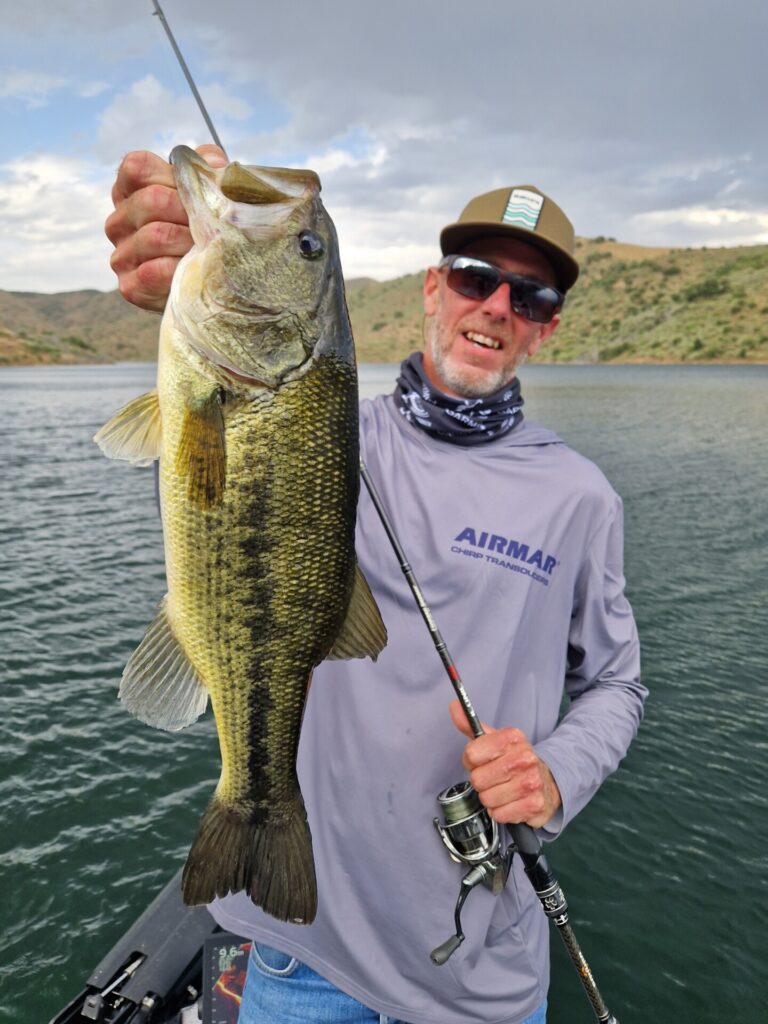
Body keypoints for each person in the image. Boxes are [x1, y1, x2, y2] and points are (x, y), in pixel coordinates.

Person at [106, 147, 646, 1024]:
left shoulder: (581, 498)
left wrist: (554, 774)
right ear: (434, 288)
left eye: (532, 296)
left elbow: (618, 684)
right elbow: (212, 476)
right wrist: (184, 266)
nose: (497, 307)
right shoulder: (334, 432)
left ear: (547, 328)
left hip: (480, 975)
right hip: (304, 951)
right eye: (476, 277)